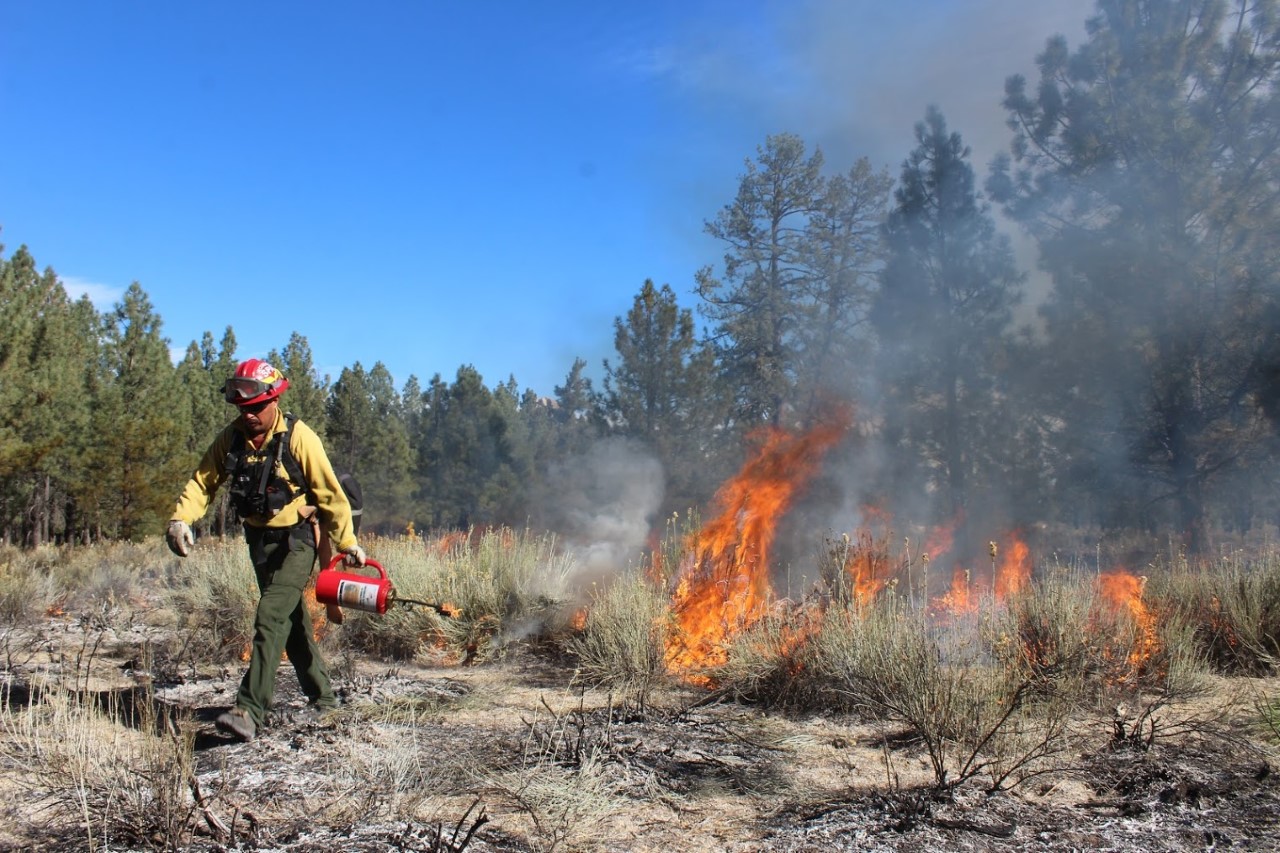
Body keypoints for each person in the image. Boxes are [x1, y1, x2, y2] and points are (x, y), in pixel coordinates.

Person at [165, 358, 366, 743]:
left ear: (274, 399)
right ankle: (324, 698)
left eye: (256, 406)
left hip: (299, 540)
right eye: (243, 408)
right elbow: (202, 482)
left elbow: (330, 494)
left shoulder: (299, 436)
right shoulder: (232, 438)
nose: (250, 414)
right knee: (289, 624)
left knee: (270, 614)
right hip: (259, 543)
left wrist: (347, 543)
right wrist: (181, 519)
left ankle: (250, 709)